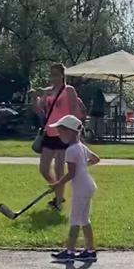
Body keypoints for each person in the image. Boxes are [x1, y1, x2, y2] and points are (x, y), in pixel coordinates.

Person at [32, 64, 87, 210]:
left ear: (63, 75)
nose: (54, 78)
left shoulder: (69, 90)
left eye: (56, 74)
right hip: (50, 131)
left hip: (64, 133)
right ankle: (58, 192)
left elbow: (75, 111)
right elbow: (38, 110)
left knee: (59, 168)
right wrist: (35, 97)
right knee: (44, 168)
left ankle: (58, 202)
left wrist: (76, 131)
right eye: (52, 74)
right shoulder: (48, 91)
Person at [49, 115, 101, 262]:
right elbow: (96, 159)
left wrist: (58, 183)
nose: (59, 135)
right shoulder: (81, 147)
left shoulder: (71, 150)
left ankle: (70, 251)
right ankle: (90, 250)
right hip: (88, 185)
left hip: (81, 188)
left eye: (61, 131)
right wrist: (83, 166)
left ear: (70, 132)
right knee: (84, 219)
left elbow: (71, 173)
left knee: (75, 219)